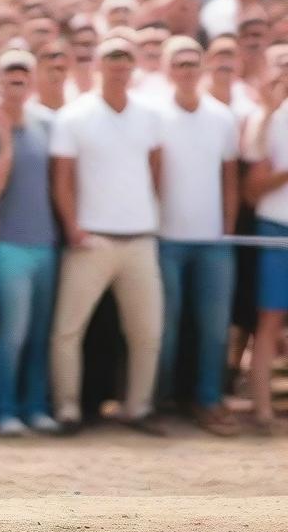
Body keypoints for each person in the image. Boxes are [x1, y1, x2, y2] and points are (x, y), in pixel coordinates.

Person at [49, 35, 165, 435]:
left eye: (126, 58)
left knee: (147, 332)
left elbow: (155, 171)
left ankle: (138, 409)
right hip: (91, 240)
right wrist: (73, 228)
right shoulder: (74, 116)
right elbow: (62, 180)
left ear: (134, 66)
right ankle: (67, 410)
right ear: (98, 64)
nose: (120, 65)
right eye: (112, 57)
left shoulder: (149, 115)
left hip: (140, 239)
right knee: (68, 330)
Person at [153, 37, 240, 435]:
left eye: (193, 63)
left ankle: (208, 400)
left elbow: (230, 178)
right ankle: (160, 403)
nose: (187, 70)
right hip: (165, 239)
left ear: (202, 67)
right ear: (168, 69)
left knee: (213, 327)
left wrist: (226, 228)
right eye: (180, 63)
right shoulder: (153, 114)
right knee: (165, 328)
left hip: (212, 242)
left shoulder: (222, 117)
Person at [0, 50, 60, 436]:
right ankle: (4, 411)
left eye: (24, 71)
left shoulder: (48, 122)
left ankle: (35, 407)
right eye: (10, 70)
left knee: (41, 332)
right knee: (14, 331)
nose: (17, 77)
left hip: (46, 243)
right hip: (7, 245)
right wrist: (6, 142)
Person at [242, 65, 288, 434]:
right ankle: (262, 412)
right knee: (268, 322)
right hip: (275, 229)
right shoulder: (264, 119)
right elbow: (253, 187)